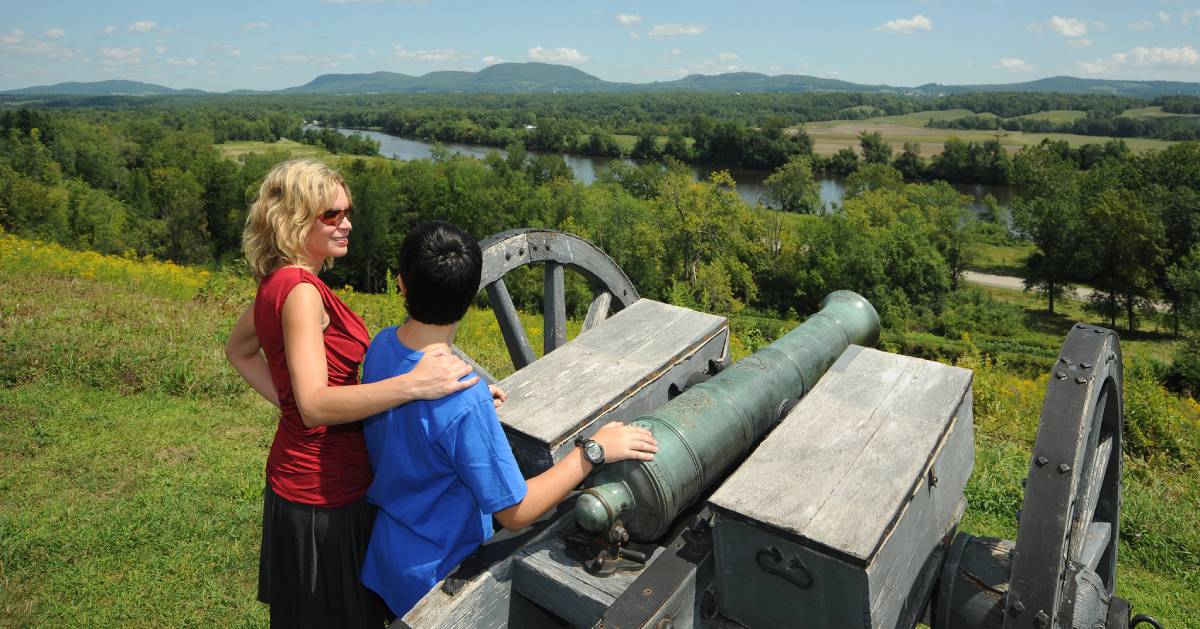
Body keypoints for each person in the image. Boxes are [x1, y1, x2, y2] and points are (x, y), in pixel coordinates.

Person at [224, 159, 497, 627]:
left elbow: (240, 353)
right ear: (294, 217)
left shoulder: (280, 281)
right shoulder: (303, 293)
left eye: (347, 211)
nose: (346, 223)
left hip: (300, 481)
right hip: (325, 493)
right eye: (331, 215)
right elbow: (313, 405)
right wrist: (414, 384)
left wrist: (447, 396)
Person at [359, 220, 659, 618]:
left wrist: (471, 398)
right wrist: (593, 451)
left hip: (389, 556)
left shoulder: (381, 346)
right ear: (469, 300)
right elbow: (515, 512)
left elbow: (413, 418)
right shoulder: (462, 400)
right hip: (442, 582)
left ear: (401, 284)